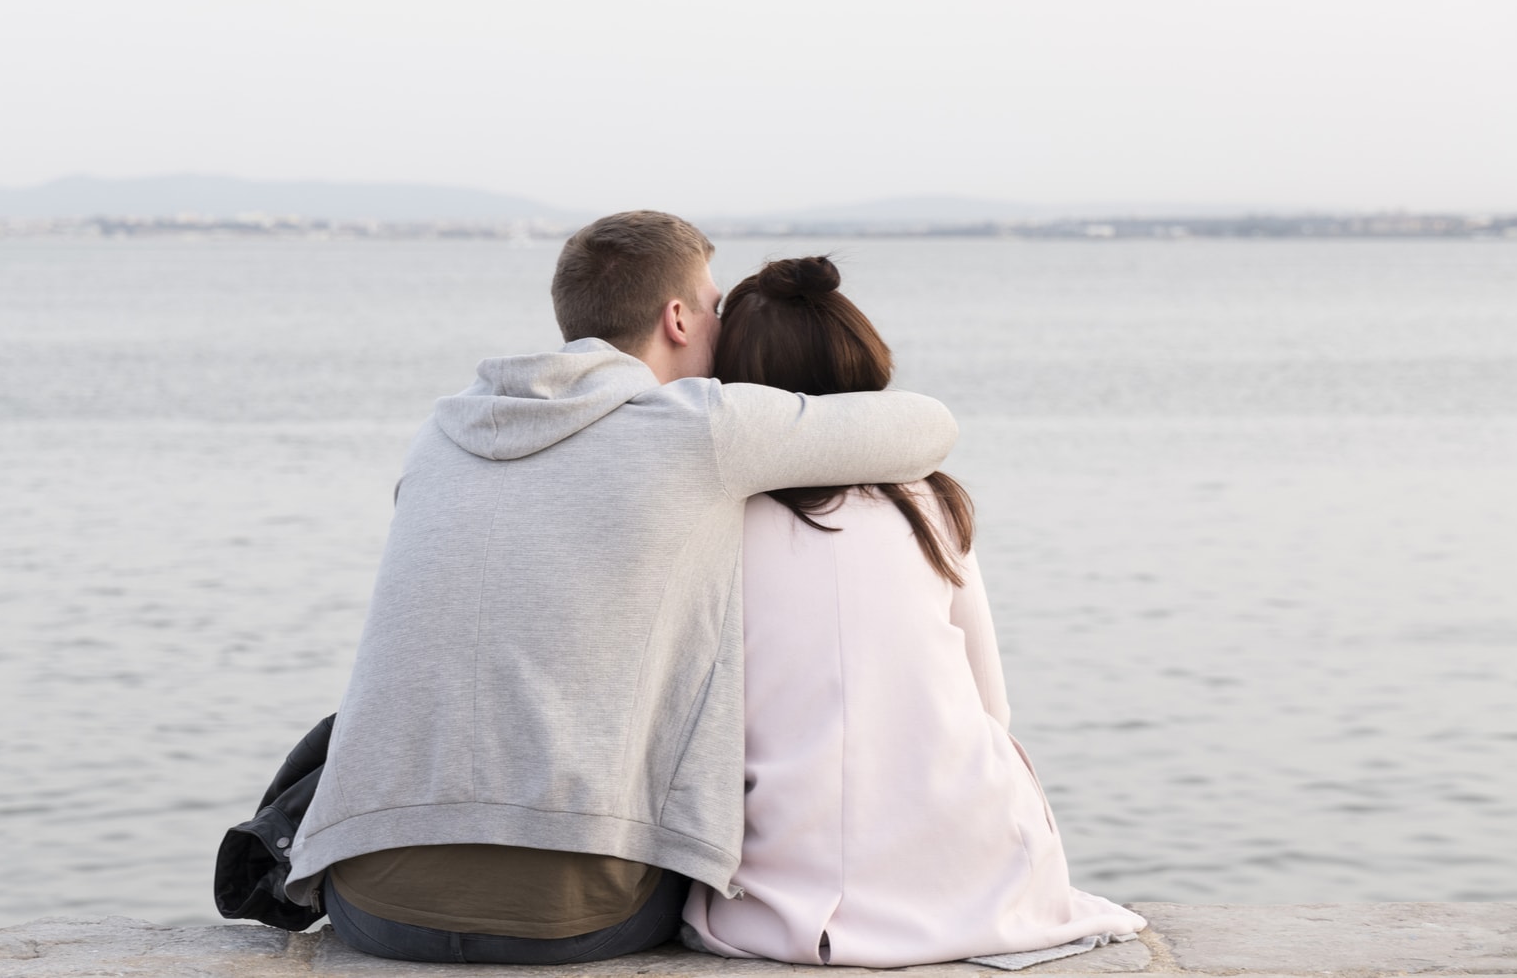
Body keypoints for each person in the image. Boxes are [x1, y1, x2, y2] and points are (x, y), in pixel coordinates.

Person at [280, 213, 959, 964]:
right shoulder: (700, 428)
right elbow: (927, 427)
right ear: (676, 318)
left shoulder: (441, 431)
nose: (723, 327)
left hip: (369, 904)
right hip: (580, 916)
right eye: (716, 306)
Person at [681, 256, 1146, 967]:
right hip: (977, 859)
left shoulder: (717, 514)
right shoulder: (927, 501)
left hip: (784, 884)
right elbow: (992, 703)